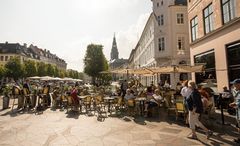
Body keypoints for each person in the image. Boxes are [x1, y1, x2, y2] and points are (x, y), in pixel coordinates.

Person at [229, 79, 240, 144]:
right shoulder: (237, 91)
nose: (233, 86)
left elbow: (238, 103)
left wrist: (232, 104)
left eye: (234, 84)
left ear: (238, 84)